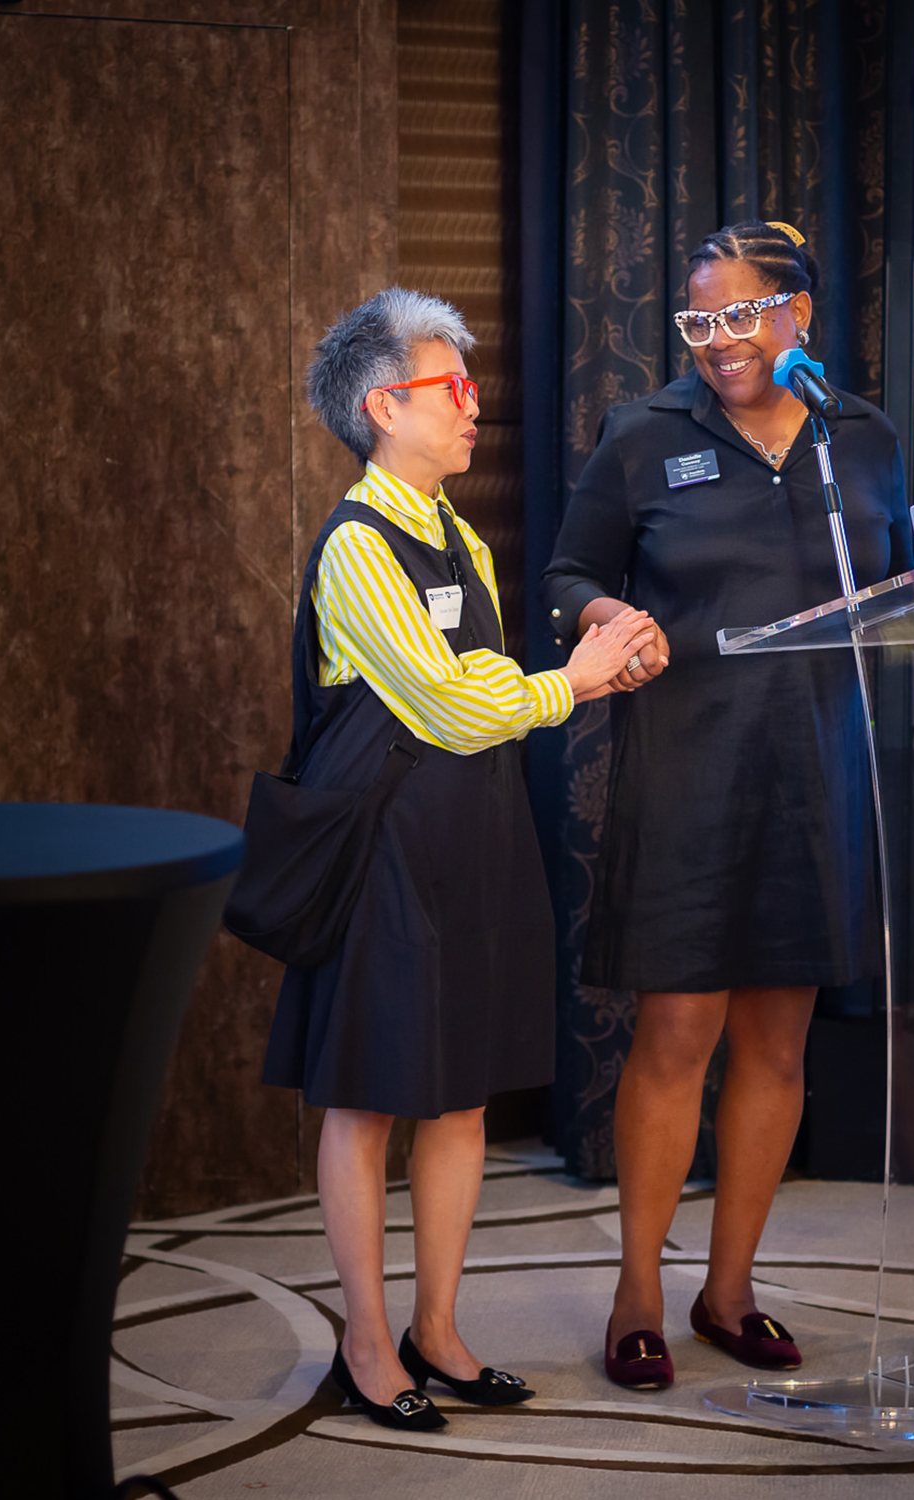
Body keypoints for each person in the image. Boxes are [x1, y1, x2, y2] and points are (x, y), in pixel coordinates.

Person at [263, 287, 657, 1430]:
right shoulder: (353, 545)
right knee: (369, 1099)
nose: (474, 403)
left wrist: (590, 658)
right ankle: (368, 1341)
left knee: (461, 1097)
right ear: (386, 404)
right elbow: (439, 700)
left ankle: (437, 1327)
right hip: (381, 849)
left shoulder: (461, 538)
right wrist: (566, 685)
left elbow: (483, 689)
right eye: (453, 386)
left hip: (474, 836)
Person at [542, 221, 914, 1389]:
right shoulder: (646, 437)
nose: (717, 344)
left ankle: (731, 1290)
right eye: (696, 322)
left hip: (818, 772)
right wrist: (606, 621)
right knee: (678, 1033)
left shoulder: (861, 438)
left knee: (777, 1038)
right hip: (688, 765)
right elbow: (564, 577)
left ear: (797, 313)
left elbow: (906, 582)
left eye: (740, 316)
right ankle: (638, 1294)